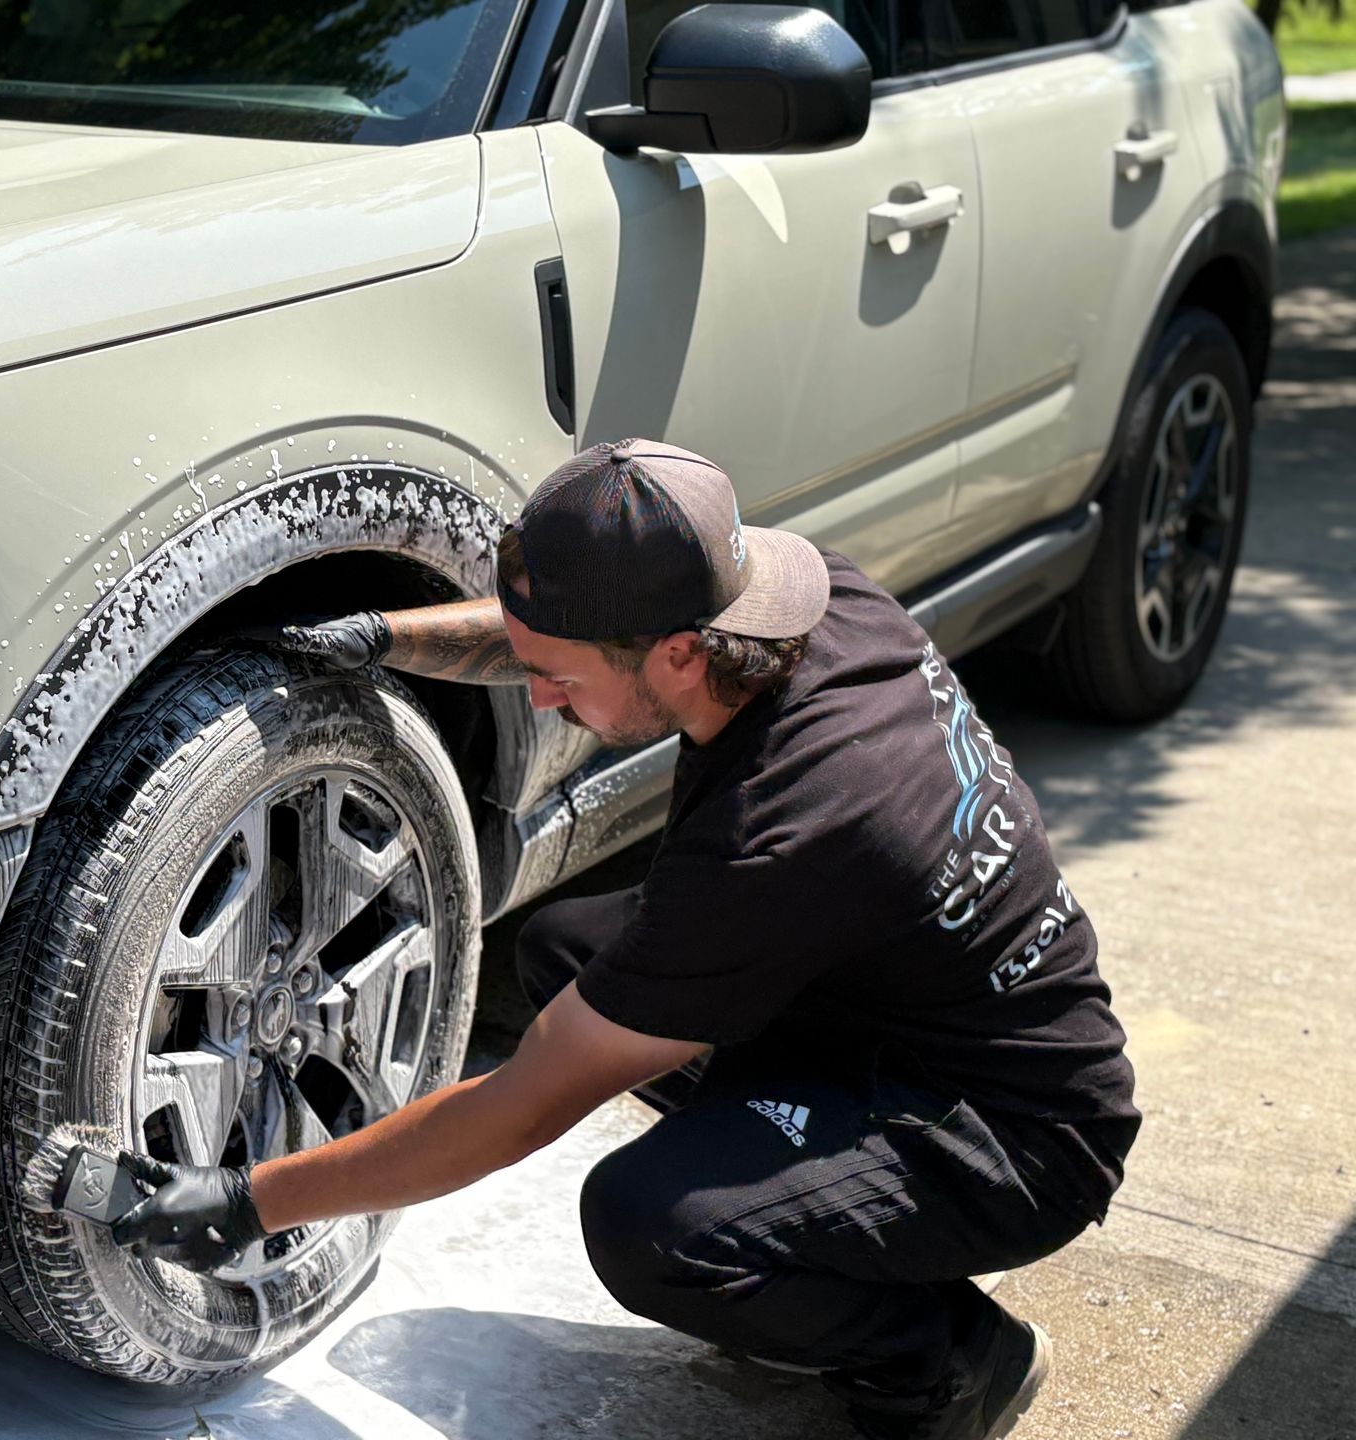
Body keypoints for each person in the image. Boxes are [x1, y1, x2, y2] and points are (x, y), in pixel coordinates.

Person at [110, 439, 1140, 1440]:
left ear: (682, 654)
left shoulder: (778, 834)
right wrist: (388, 636)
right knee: (569, 954)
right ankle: (805, 1219)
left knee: (654, 1227)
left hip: (1013, 1136)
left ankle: (950, 1359)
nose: (542, 697)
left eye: (556, 677)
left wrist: (254, 1200)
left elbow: (519, 1110)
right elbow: (569, 642)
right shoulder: (808, 599)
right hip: (902, 1013)